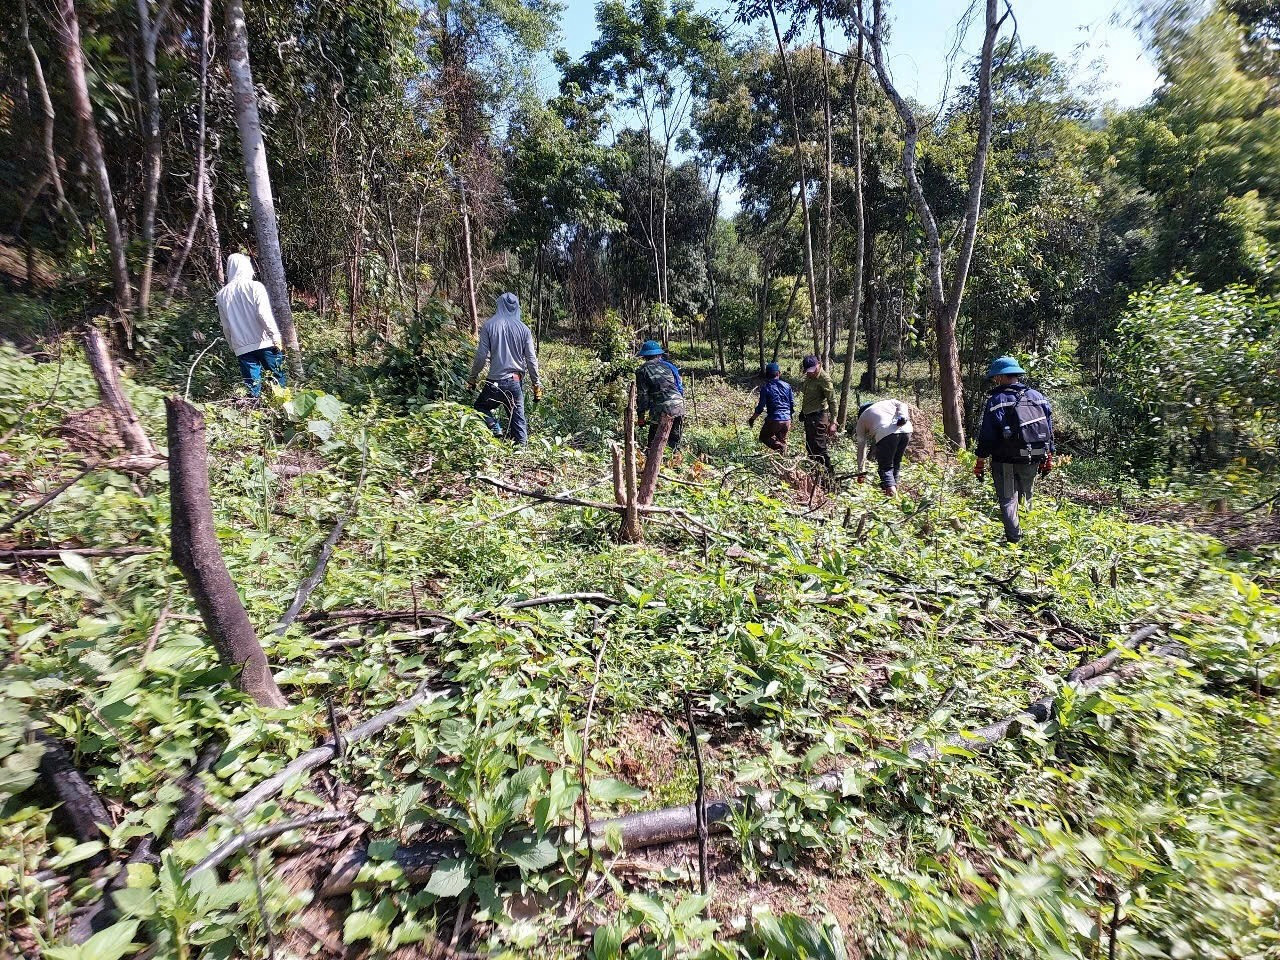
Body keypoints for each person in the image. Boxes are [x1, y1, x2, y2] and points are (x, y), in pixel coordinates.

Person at [974, 356, 1055, 544]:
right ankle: (1031, 538)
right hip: (1033, 457)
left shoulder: (997, 400)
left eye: (995, 377)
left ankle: (1015, 542)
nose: (995, 380)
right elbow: (1049, 430)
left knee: (1008, 499)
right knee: (1027, 496)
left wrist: (980, 460)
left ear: (1000, 377)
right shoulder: (1038, 396)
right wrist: (1049, 456)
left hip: (1006, 459)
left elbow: (987, 435)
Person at [467, 292, 542, 445]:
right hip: (514, 383)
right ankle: (522, 454)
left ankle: (494, 426)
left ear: (499, 305)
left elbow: (481, 356)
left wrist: (472, 377)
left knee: (480, 407)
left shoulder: (489, 325)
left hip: (494, 384)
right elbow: (531, 360)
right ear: (517, 308)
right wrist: (536, 384)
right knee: (518, 421)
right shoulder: (524, 329)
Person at [217, 253, 286, 398]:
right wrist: (276, 336)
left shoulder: (222, 295)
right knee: (278, 382)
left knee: (253, 389)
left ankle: (255, 413)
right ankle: (282, 414)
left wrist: (232, 345)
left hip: (242, 347)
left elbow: (226, 326)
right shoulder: (255, 287)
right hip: (265, 342)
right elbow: (264, 314)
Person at [854, 398, 913, 496]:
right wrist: (903, 417)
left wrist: (861, 471)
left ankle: (892, 496)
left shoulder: (862, 418)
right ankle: (893, 489)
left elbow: (861, 447)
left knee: (885, 467)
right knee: (896, 463)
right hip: (907, 430)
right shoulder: (888, 402)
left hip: (886, 433)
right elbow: (903, 404)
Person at [635, 340, 685, 452]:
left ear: (644, 356)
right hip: (678, 405)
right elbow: (679, 386)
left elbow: (643, 396)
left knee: (653, 444)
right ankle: (676, 466)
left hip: (661, 409)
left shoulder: (642, 370)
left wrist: (641, 416)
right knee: (674, 442)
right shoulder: (669, 366)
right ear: (659, 354)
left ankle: (653, 468)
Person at [798, 355, 838, 471]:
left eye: (813, 370)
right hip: (809, 417)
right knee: (810, 447)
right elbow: (809, 397)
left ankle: (829, 474)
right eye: (808, 371)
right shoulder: (809, 377)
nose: (810, 373)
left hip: (818, 417)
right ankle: (815, 473)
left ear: (819, 365)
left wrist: (833, 422)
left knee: (819, 446)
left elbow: (832, 401)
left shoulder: (824, 379)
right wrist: (803, 411)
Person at [748, 361, 795, 452]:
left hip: (774, 419)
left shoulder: (766, 388)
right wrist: (789, 418)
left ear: (767, 375)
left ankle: (780, 447)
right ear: (779, 373)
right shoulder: (787, 386)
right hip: (787, 419)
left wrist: (752, 419)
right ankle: (783, 459)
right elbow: (792, 404)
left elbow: (760, 408)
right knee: (782, 440)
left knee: (764, 437)